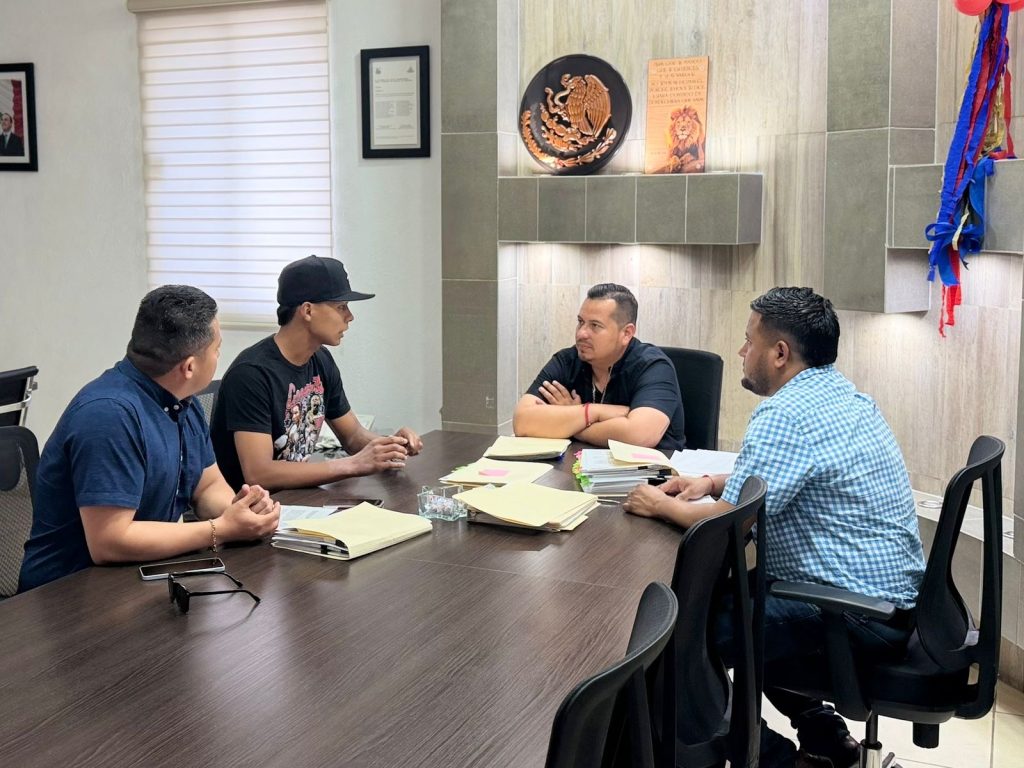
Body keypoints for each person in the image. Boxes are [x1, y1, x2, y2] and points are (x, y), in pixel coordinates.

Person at [623, 286, 926, 768]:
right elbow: (779, 473)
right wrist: (712, 481)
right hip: (885, 603)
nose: (741, 351)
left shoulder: (783, 413)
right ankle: (827, 738)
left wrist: (657, 503)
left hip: (850, 613)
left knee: (678, 641)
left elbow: (727, 520)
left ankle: (774, 759)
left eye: (749, 341)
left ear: (780, 353)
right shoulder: (842, 395)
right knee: (738, 597)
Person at [19, 286, 281, 593]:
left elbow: (207, 485)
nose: (218, 356)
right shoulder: (108, 415)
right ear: (189, 367)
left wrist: (240, 511)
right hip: (67, 594)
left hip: (139, 578)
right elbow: (109, 541)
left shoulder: (183, 401)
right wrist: (220, 529)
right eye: (217, 349)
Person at [210, 255, 423, 491]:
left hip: (297, 500)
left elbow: (353, 436)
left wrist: (392, 445)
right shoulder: (251, 375)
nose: (350, 316)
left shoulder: (320, 359)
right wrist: (352, 465)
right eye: (341, 307)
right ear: (308, 310)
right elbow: (259, 474)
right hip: (251, 508)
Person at [512, 283, 685, 451]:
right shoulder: (567, 361)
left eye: (595, 326)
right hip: (576, 465)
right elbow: (522, 422)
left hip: (647, 468)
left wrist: (568, 422)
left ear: (626, 333)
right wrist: (591, 412)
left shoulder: (653, 367)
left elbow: (640, 435)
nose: (581, 333)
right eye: (580, 322)